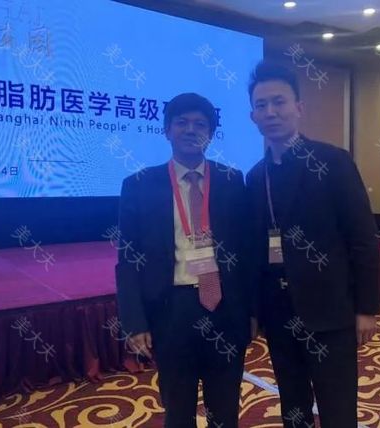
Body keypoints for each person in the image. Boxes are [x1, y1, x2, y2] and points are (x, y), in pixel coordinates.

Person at [245, 61, 380, 427]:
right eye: (261, 105)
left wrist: (367, 308)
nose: (270, 112)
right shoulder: (255, 177)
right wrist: (256, 311)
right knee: (293, 405)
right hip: (279, 314)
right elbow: (255, 253)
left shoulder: (333, 162)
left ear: (299, 107)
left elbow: (363, 239)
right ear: (252, 116)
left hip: (330, 311)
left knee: (338, 408)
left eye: (279, 102)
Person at [115, 93, 252, 428]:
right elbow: (128, 259)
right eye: (182, 123)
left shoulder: (233, 181)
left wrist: (252, 312)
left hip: (224, 310)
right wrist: (134, 321)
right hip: (171, 311)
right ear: (167, 131)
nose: (191, 130)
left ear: (211, 134)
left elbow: (248, 252)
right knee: (178, 412)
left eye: (200, 125)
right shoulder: (139, 185)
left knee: (225, 410)